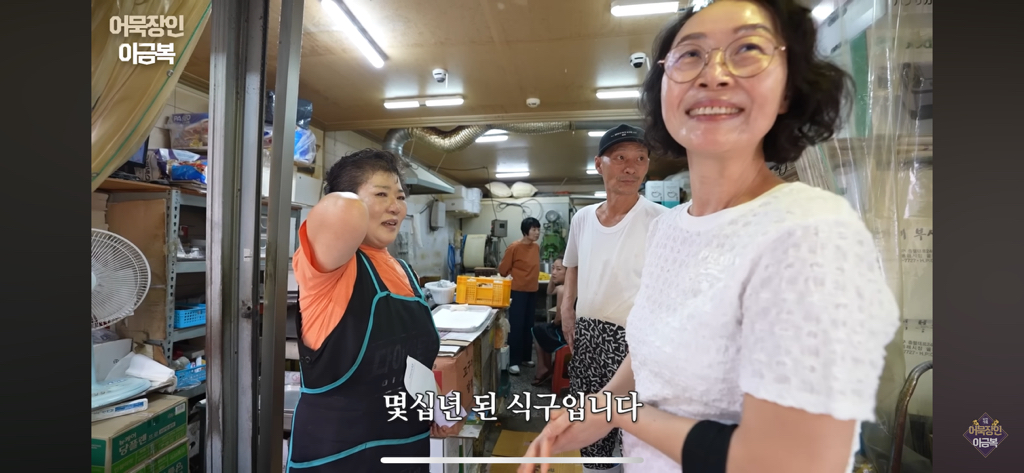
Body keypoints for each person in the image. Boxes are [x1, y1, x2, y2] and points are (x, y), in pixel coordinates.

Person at [518, 2, 900, 473]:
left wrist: (620, 414)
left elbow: (791, 459)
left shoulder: (812, 234)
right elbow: (646, 356)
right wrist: (594, 412)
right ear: (664, 90)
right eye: (691, 55)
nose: (713, 75)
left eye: (747, 50)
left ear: (787, 89)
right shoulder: (669, 229)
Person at [287, 148, 461, 473]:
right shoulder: (330, 268)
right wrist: (350, 193)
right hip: (340, 457)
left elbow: (413, 364)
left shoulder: (405, 272)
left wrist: (438, 409)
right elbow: (341, 209)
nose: (396, 206)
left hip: (406, 449)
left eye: (401, 196)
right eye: (381, 194)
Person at [561, 124, 668, 473]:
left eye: (640, 158)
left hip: (635, 345)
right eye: (620, 157)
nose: (631, 167)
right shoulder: (582, 219)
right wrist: (567, 309)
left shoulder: (662, 221)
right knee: (592, 433)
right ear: (599, 164)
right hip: (588, 339)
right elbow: (572, 265)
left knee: (636, 439)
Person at [498, 217, 542, 376]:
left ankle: (525, 357)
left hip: (532, 290)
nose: (537, 233)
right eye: (534, 229)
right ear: (525, 231)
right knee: (516, 325)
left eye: (538, 229)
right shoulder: (514, 247)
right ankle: (514, 361)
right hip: (517, 291)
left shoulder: (536, 247)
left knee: (529, 324)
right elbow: (502, 270)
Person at [530, 257, 568, 386]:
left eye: (559, 269)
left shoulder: (563, 290)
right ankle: (545, 367)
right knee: (541, 329)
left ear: (568, 272)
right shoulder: (571, 286)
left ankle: (543, 368)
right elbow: (550, 291)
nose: (554, 272)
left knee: (538, 330)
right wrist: (554, 277)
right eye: (553, 268)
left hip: (566, 333)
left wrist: (553, 323)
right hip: (574, 329)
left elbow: (559, 319)